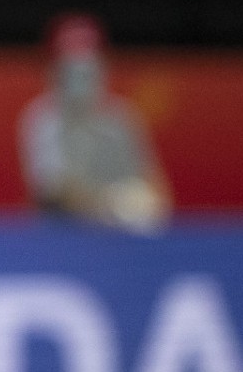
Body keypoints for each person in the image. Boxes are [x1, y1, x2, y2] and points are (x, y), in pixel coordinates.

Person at [19, 13, 171, 235]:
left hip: (126, 238)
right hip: (64, 235)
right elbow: (52, 190)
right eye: (71, 68)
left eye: (89, 66)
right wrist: (110, 205)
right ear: (54, 70)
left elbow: (156, 188)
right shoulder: (42, 117)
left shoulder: (122, 116)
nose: (81, 77)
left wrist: (141, 204)